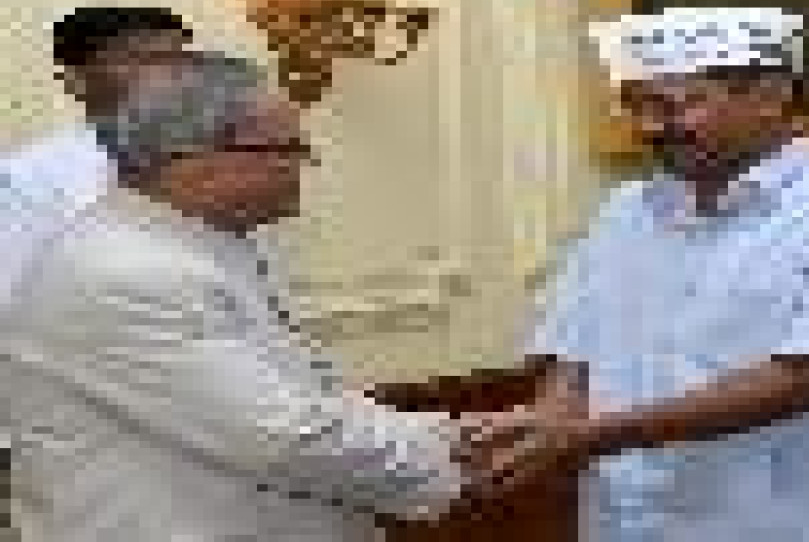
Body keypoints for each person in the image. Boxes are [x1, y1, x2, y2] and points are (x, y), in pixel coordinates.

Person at [0, 54, 514, 541]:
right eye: (288, 149)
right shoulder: (126, 274)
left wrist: (456, 433)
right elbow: (289, 440)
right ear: (198, 158)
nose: (304, 166)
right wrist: (467, 456)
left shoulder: (193, 248)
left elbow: (311, 399)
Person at [495, 7, 809, 541]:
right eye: (636, 105)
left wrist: (589, 436)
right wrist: (547, 423)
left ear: (771, 96)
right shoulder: (625, 211)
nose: (650, 127)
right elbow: (574, 346)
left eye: (676, 105)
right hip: (638, 520)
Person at [1, 7, 195, 307]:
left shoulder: (225, 162)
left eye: (183, 62)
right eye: (145, 61)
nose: (174, 79)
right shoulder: (27, 181)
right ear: (75, 81)